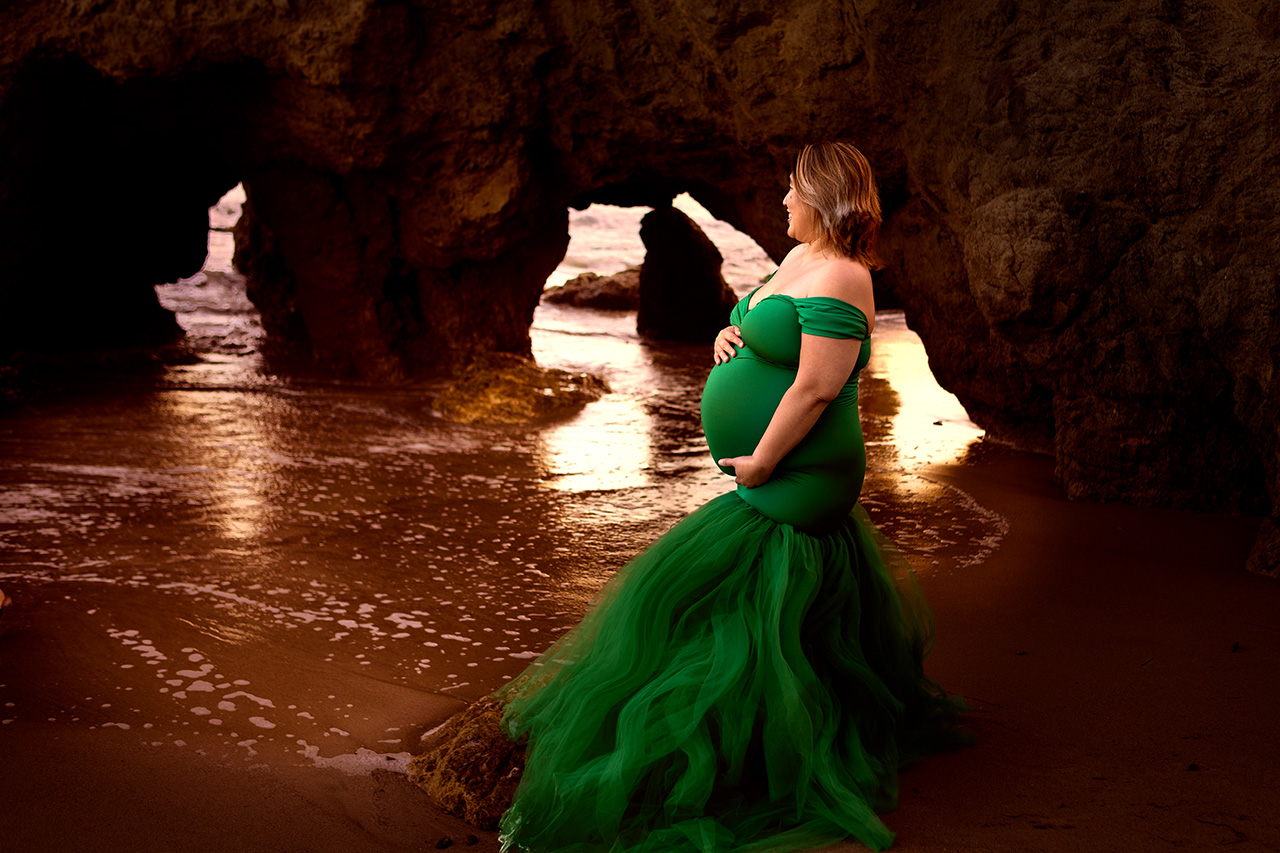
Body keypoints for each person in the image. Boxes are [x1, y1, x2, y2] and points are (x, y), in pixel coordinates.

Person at [496, 142, 962, 853]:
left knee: (722, 608)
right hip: (770, 465)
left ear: (824, 196)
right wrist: (728, 331)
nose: (781, 201)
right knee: (743, 614)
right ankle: (755, 730)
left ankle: (748, 755)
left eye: (792, 190)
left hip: (799, 472)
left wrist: (763, 462)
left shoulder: (842, 275)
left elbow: (816, 388)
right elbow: (766, 324)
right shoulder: (801, 260)